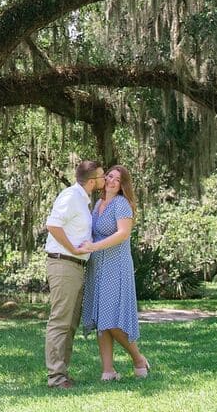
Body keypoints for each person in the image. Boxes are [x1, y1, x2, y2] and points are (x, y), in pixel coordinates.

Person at [79, 164, 150, 381]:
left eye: (117, 179)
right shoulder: (98, 204)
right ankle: (108, 371)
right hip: (97, 267)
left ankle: (138, 359)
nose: (111, 181)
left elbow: (123, 234)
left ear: (122, 185)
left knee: (112, 320)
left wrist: (95, 247)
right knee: (101, 318)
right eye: (109, 176)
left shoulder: (121, 204)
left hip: (116, 266)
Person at [41, 160, 106, 389]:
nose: (104, 179)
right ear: (91, 181)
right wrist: (74, 249)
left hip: (76, 266)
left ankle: (62, 374)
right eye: (101, 176)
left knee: (70, 323)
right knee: (60, 321)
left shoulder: (83, 200)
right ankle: (56, 378)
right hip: (64, 264)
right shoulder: (71, 196)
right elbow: (53, 225)